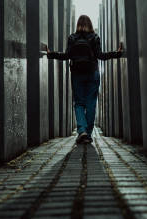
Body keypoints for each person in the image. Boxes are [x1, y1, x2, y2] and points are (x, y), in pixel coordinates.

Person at [46, 15, 123, 144]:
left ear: (78, 25)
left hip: (77, 74)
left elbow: (66, 56)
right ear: (90, 24)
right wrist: (117, 53)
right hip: (92, 73)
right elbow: (101, 56)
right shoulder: (94, 37)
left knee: (79, 103)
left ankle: (82, 131)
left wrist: (51, 54)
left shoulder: (72, 38)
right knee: (91, 103)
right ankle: (87, 132)